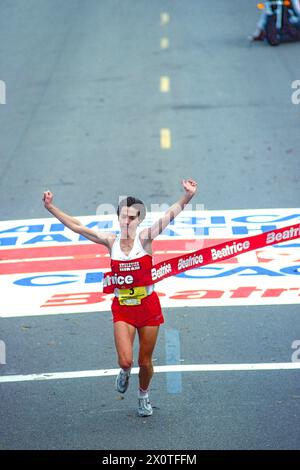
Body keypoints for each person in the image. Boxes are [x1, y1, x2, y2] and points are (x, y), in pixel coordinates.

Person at [43, 179, 198, 417]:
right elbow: (77, 226)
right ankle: (124, 373)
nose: (127, 222)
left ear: (139, 220)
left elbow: (169, 216)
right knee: (126, 361)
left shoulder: (145, 239)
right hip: (123, 308)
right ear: (118, 218)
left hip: (148, 307)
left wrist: (187, 196)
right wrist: (51, 208)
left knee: (145, 361)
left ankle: (143, 394)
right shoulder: (110, 242)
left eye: (132, 218)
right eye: (123, 217)